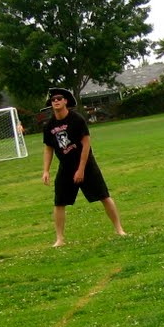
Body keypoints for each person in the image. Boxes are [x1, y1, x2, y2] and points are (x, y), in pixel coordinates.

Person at [41, 88, 126, 247]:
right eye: (53, 100)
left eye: (59, 98)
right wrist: (46, 170)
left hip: (86, 165)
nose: (56, 101)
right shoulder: (49, 126)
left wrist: (81, 170)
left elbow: (86, 144)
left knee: (104, 196)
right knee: (59, 203)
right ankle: (59, 239)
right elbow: (48, 149)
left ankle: (119, 229)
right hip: (65, 168)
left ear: (65, 101)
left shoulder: (76, 119)